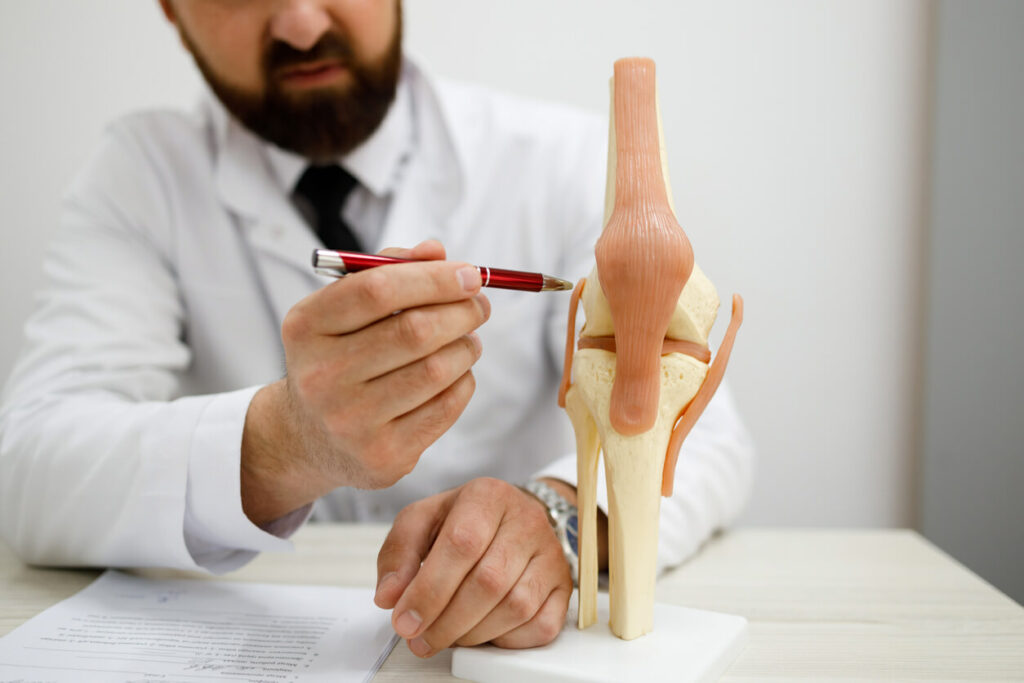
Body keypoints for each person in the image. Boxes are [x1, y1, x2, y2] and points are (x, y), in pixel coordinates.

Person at [0, 0, 754, 658]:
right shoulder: (142, 175)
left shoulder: (564, 160)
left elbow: (703, 435)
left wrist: (559, 514)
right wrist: (282, 441)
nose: (301, 22)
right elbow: (31, 470)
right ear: (169, 8)